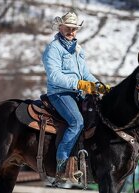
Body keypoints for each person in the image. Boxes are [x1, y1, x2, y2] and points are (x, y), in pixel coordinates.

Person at [42, 12, 109, 181]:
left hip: (76, 94)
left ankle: (85, 161)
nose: (71, 31)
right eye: (68, 28)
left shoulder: (78, 50)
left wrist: (100, 87)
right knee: (76, 122)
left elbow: (85, 74)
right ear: (60, 27)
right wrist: (78, 84)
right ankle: (62, 163)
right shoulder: (53, 48)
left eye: (74, 29)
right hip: (59, 93)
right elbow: (54, 76)